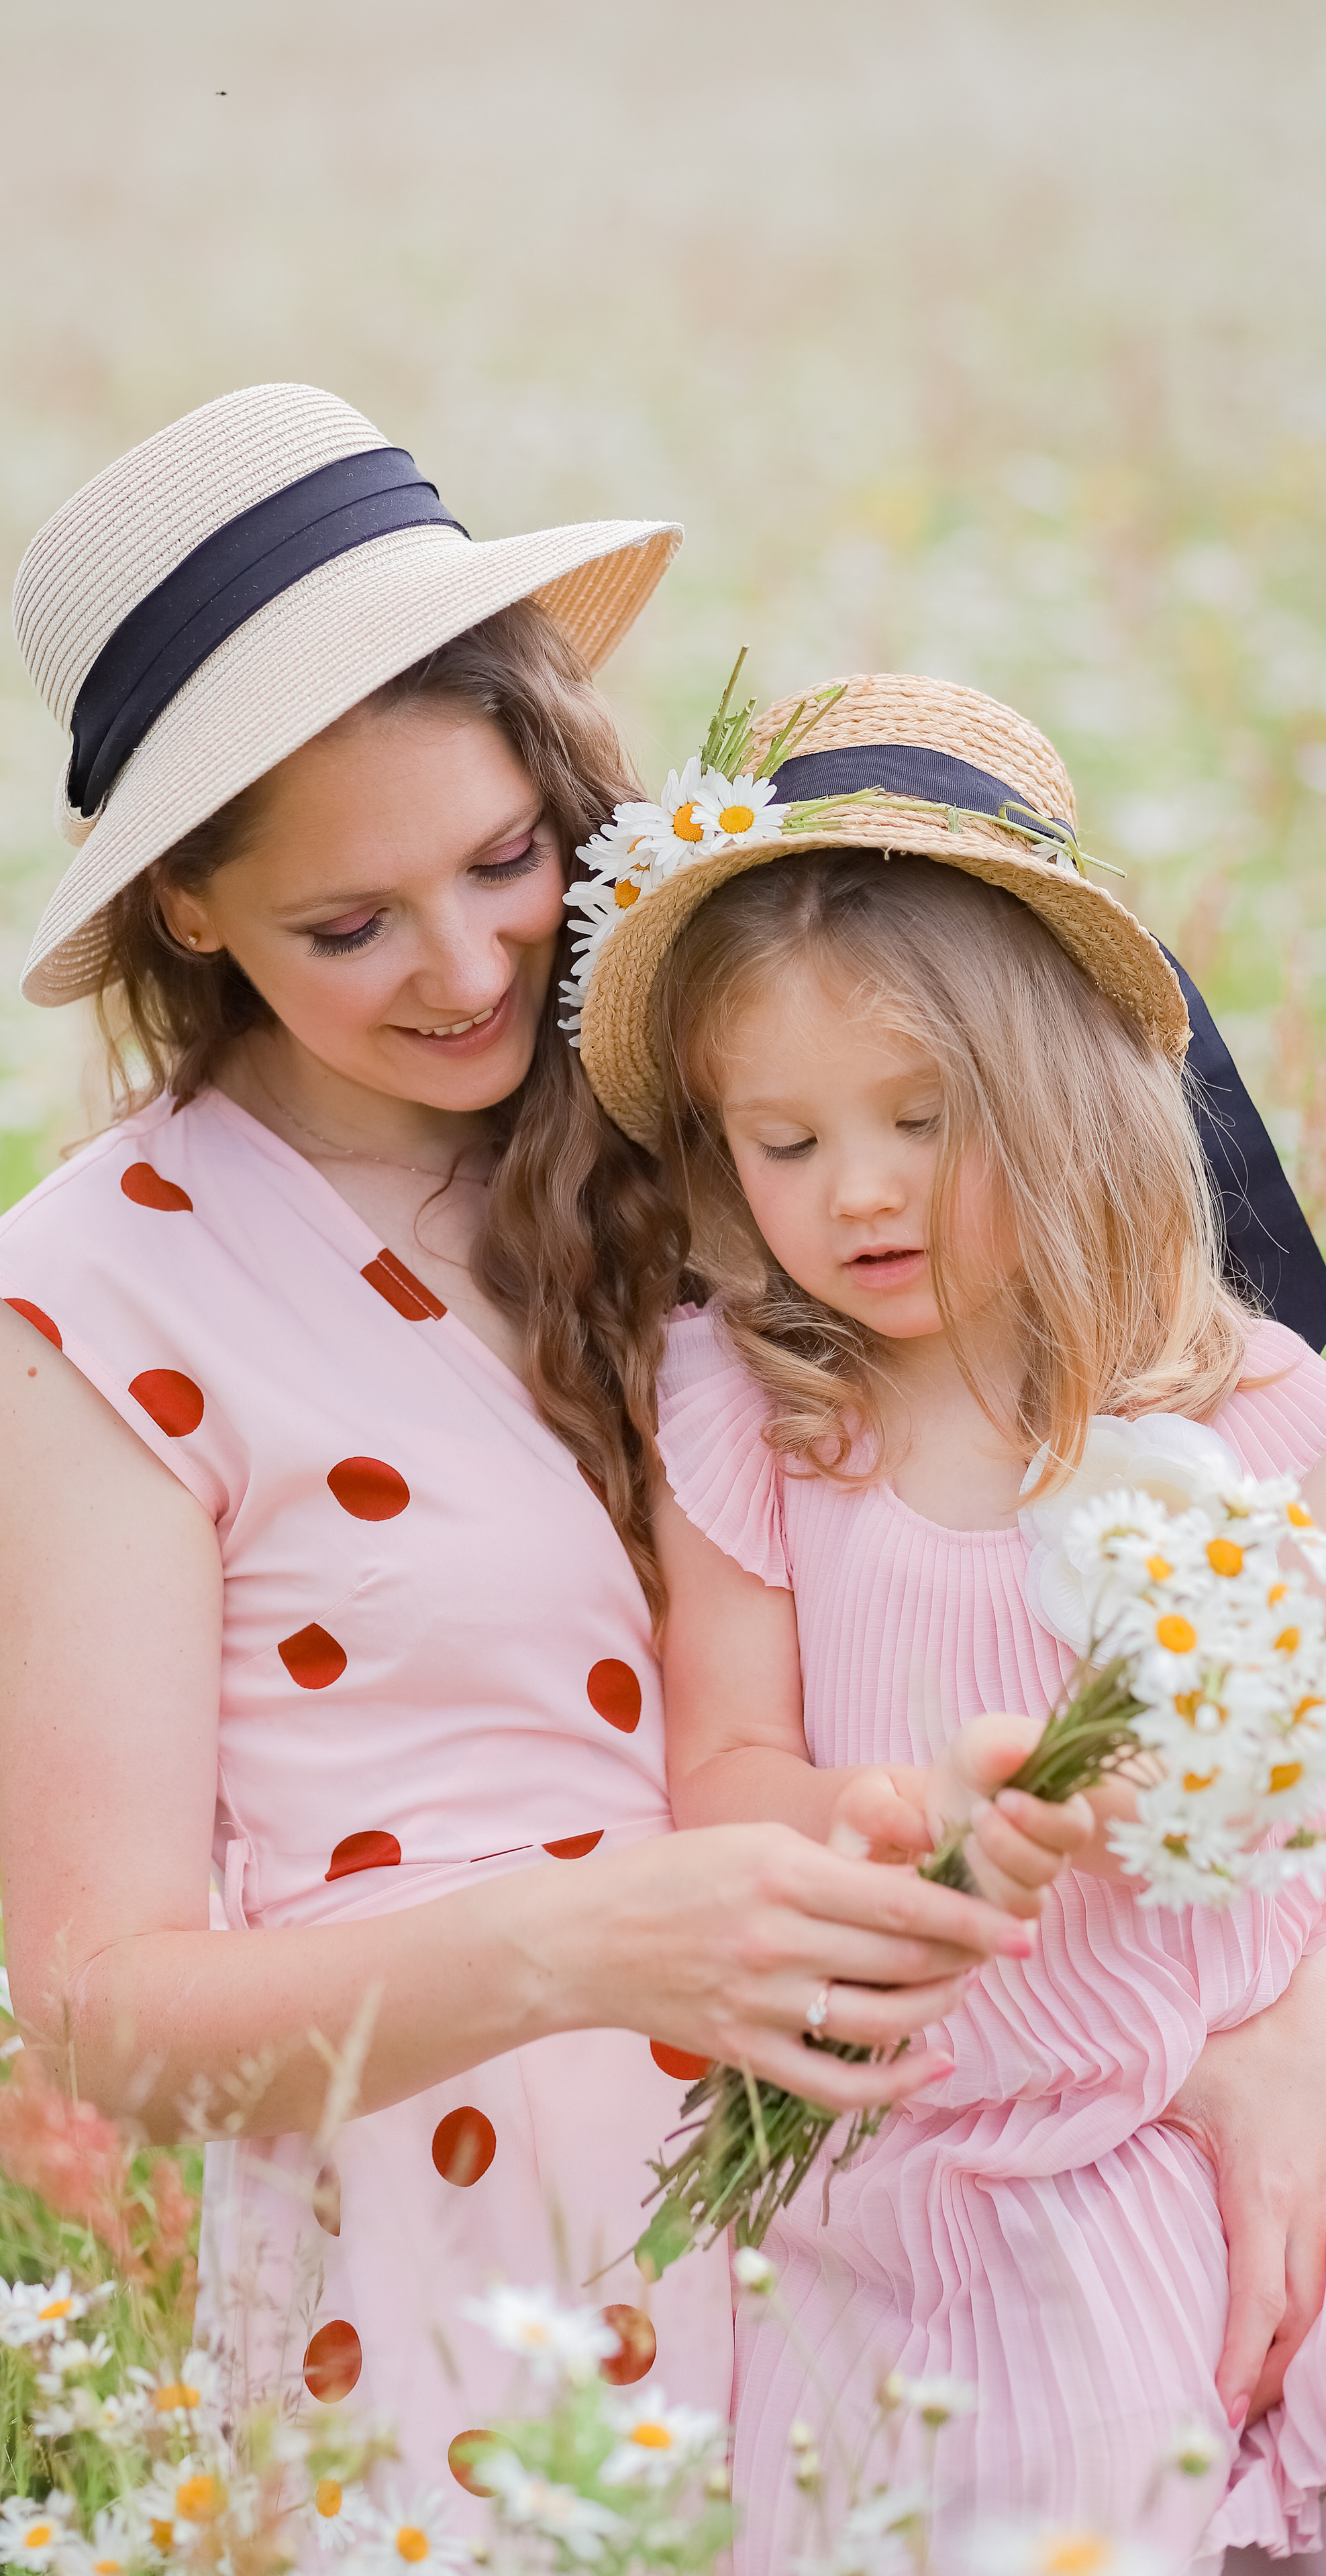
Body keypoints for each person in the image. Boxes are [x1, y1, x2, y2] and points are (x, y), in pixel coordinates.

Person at [0, 384, 1326, 2526]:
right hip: (472, 2309)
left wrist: (1267, 2035)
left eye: (505, 861)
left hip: (942, 2225)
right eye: (350, 927)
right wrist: (586, 1946)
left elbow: (1217, 1512)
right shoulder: (97, 1304)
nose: (474, 960)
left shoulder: (741, 1118)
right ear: (194, 917)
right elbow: (105, 2010)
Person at [563, 667, 1326, 2561]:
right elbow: (725, 1764)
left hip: (1185, 2098)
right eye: (789, 1142)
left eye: (923, 1117)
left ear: (1060, 1093)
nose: (861, 1193)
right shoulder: (758, 1412)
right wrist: (898, 1831)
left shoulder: (1246, 1412)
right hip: (909, 2142)